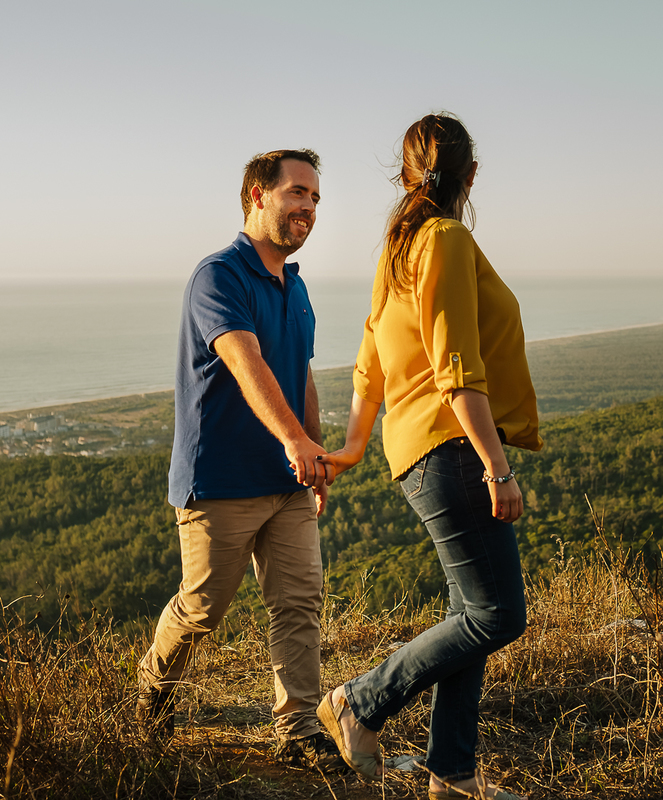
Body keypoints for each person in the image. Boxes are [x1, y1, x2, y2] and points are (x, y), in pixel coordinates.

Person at [318, 114, 541, 800]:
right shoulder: (442, 238)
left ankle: (454, 772)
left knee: (467, 613)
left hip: (421, 448)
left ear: (406, 174)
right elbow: (455, 369)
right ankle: (360, 700)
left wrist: (355, 444)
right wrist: (496, 465)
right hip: (452, 447)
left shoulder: (399, 245)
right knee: (498, 615)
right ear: (471, 176)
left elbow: (369, 358)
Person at [136, 148, 344, 772]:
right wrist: (293, 442)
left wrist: (315, 451)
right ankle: (149, 697)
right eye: (296, 193)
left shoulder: (295, 284)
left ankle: (299, 728)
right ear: (257, 195)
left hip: (287, 480)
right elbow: (246, 363)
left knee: (300, 599)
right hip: (221, 480)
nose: (307, 207)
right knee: (203, 609)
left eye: (314, 198)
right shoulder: (218, 276)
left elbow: (298, 371)